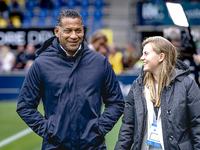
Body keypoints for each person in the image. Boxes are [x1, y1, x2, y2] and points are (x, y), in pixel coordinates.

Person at [17, 9, 124, 150]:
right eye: (68, 31)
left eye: (78, 30)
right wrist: (49, 131)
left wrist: (99, 129)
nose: (74, 36)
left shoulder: (100, 62)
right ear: (57, 31)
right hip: (55, 146)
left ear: (83, 30)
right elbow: (25, 106)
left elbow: (116, 102)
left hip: (93, 146)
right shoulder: (41, 64)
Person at [115, 36, 200, 150]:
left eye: (146, 54)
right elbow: (128, 126)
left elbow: (197, 125)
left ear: (161, 57)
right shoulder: (138, 86)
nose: (141, 58)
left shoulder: (187, 84)